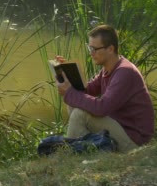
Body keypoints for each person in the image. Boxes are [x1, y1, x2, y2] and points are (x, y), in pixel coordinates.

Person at [55, 24, 154, 153]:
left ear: (110, 49)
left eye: (95, 49)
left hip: (135, 141)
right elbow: (86, 90)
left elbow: (102, 108)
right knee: (74, 104)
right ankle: (88, 151)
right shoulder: (108, 69)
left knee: (80, 114)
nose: (91, 53)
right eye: (89, 48)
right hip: (120, 127)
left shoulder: (125, 72)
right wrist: (66, 72)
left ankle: (72, 153)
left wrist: (70, 92)